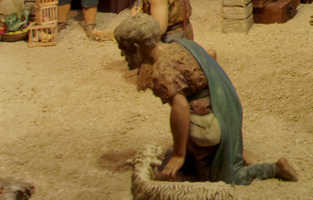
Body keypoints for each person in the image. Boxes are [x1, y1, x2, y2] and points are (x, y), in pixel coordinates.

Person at [114, 13, 297, 184]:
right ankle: (228, 151)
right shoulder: (180, 45)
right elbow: (210, 56)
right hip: (224, 105)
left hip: (210, 121)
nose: (123, 56)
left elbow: (180, 107)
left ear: (135, 47)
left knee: (222, 178)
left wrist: (179, 154)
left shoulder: (162, 70)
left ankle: (273, 168)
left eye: (123, 50)